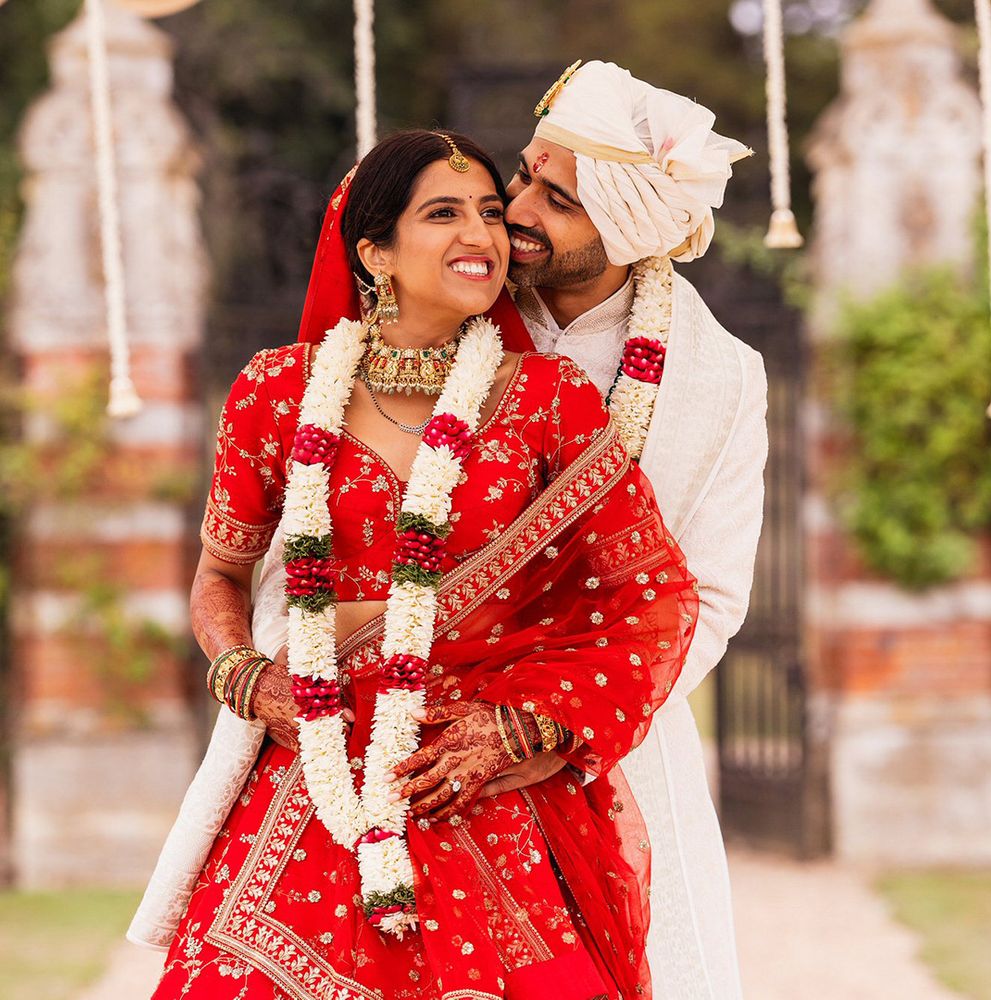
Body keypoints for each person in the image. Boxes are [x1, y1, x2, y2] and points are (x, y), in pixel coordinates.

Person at [137, 129, 698, 1000]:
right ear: (374, 251)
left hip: (466, 766)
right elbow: (219, 576)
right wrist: (250, 679)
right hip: (312, 754)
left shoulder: (551, 400)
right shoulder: (277, 393)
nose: (481, 234)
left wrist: (528, 729)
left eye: (486, 211)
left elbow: (651, 596)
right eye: (443, 214)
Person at [480, 60, 768, 1000]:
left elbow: (715, 598)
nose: (515, 206)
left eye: (554, 198)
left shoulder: (718, 376)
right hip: (433, 733)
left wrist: (562, 721)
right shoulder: (450, 317)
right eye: (525, 174)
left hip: (617, 741)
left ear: (625, 224)